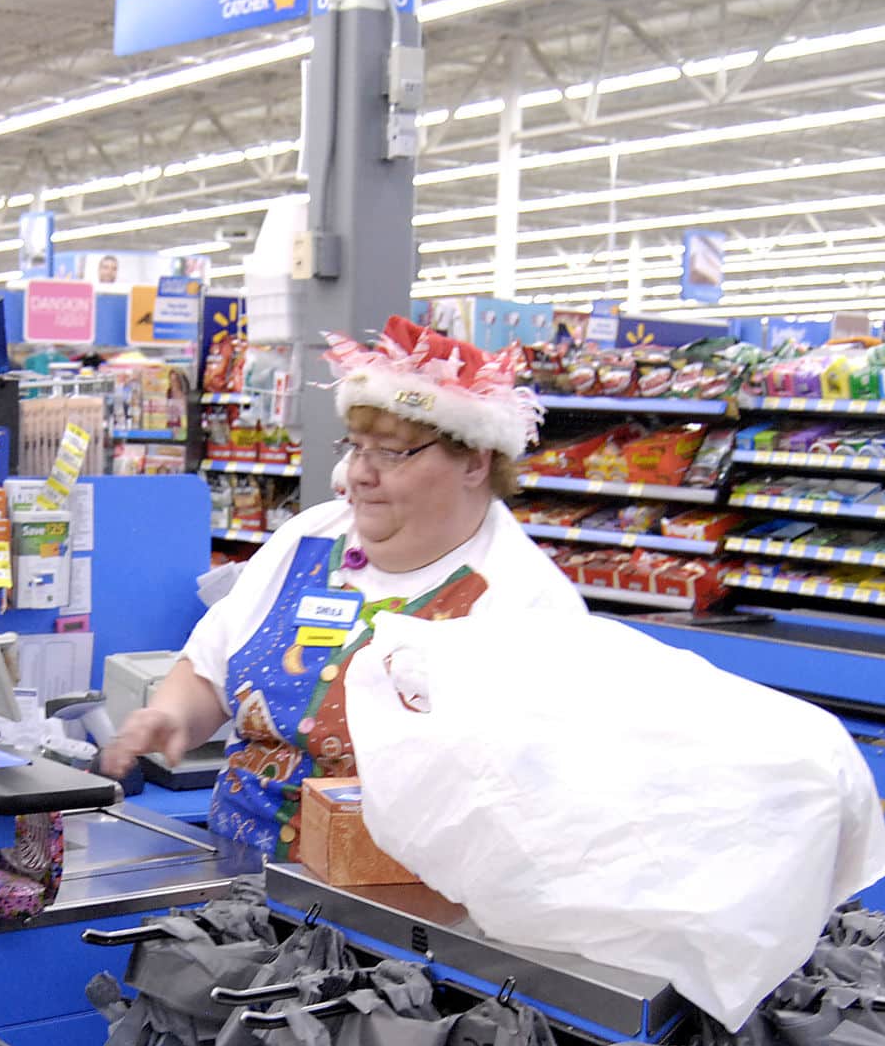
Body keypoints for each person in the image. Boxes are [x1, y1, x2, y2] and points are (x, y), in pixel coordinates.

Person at [99, 316, 583, 861]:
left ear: (475, 461)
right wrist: (171, 716)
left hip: (393, 915)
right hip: (234, 879)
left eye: (391, 452)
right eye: (355, 447)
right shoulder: (309, 537)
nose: (359, 473)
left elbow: (523, 807)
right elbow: (212, 668)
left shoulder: (524, 602)